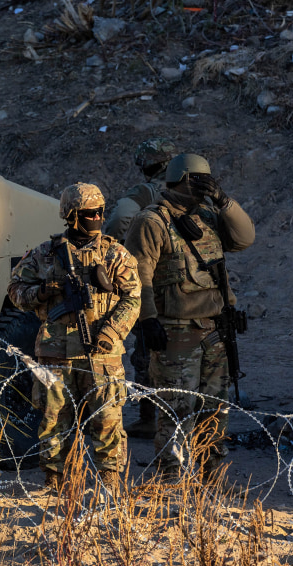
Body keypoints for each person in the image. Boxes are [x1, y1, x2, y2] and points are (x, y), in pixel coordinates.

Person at [124, 154, 255, 479]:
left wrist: (223, 200)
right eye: (198, 180)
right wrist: (148, 320)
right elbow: (139, 275)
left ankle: (213, 478)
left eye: (207, 181)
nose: (204, 187)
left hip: (215, 329)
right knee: (176, 409)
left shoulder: (210, 216)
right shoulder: (152, 221)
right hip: (176, 332)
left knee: (214, 409)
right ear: (180, 179)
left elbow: (244, 238)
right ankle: (171, 480)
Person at [7, 183, 141, 495]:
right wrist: (43, 292)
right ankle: (54, 482)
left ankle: (109, 484)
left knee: (107, 422)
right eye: (89, 213)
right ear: (72, 215)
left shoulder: (114, 253)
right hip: (56, 354)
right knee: (54, 423)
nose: (97, 217)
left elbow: (133, 298)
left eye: (99, 212)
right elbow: (15, 292)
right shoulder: (45, 254)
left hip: (101, 355)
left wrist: (110, 332)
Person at [104, 138, 178, 439]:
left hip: (152, 281)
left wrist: (116, 247)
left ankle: (151, 418)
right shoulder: (189, 191)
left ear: (145, 165)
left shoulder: (146, 192)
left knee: (146, 350)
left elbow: (121, 216)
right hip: (189, 282)